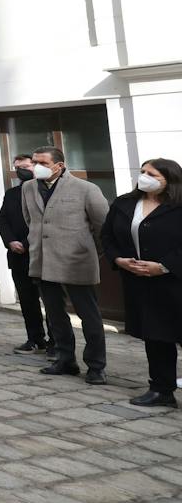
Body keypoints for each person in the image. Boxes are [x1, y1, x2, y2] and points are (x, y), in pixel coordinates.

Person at [26, 146, 110, 384]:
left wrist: (88, 251)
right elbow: (30, 220)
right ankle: (65, 359)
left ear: (59, 165)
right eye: (34, 162)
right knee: (54, 315)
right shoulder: (28, 188)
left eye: (42, 162)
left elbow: (103, 226)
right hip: (43, 262)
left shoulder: (85, 188)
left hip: (77, 261)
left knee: (89, 316)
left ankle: (96, 365)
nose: (36, 167)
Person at [101, 158, 182, 408]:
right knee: (156, 337)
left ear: (169, 180)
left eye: (152, 174)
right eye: (142, 171)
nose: (144, 176)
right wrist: (118, 259)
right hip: (140, 282)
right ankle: (161, 390)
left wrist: (165, 265)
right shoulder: (125, 203)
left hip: (175, 281)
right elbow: (107, 235)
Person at [0, 154, 51, 354]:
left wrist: (28, 243)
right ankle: (35, 338)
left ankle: (55, 341)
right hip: (17, 255)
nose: (21, 170)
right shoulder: (12, 193)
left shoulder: (46, 191)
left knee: (50, 301)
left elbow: (43, 221)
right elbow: (2, 219)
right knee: (27, 301)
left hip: (42, 254)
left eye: (26, 166)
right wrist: (11, 241)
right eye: (17, 167)